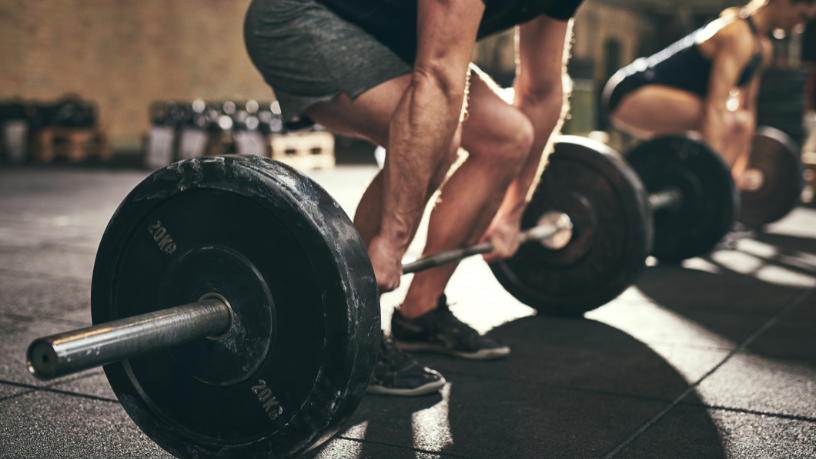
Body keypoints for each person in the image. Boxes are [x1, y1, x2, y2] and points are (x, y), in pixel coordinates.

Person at [245, 0, 583, 395]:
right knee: (436, 139)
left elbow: (542, 92)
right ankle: (340, 333)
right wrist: (390, 242)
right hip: (299, 19)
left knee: (508, 137)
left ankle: (420, 314)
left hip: (391, 39)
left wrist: (514, 210)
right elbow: (439, 76)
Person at [603, 0, 816, 183]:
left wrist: (742, 165)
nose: (800, 26)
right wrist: (713, 177)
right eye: (802, 16)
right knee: (727, 120)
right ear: (783, 2)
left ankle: (715, 187)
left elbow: (747, 109)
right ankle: (710, 185)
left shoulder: (762, 48)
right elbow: (714, 107)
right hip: (630, 92)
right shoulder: (737, 33)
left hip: (668, 100)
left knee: (738, 121)